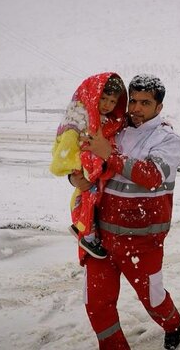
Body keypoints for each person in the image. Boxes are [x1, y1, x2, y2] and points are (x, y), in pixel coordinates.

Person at [69, 74, 180, 350]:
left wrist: (109, 154)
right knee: (96, 304)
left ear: (159, 107)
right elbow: (85, 162)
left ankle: (172, 323)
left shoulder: (168, 139)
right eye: (133, 101)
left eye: (145, 103)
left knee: (153, 299)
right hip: (101, 240)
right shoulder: (113, 130)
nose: (136, 108)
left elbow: (152, 176)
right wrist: (75, 178)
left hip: (143, 242)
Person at [49, 72, 127, 260]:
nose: (107, 105)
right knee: (89, 196)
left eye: (112, 101)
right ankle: (86, 233)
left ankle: (83, 228)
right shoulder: (81, 116)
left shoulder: (113, 122)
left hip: (109, 196)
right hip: (88, 170)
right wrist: (74, 171)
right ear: (94, 96)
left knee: (90, 197)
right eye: (104, 99)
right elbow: (67, 146)